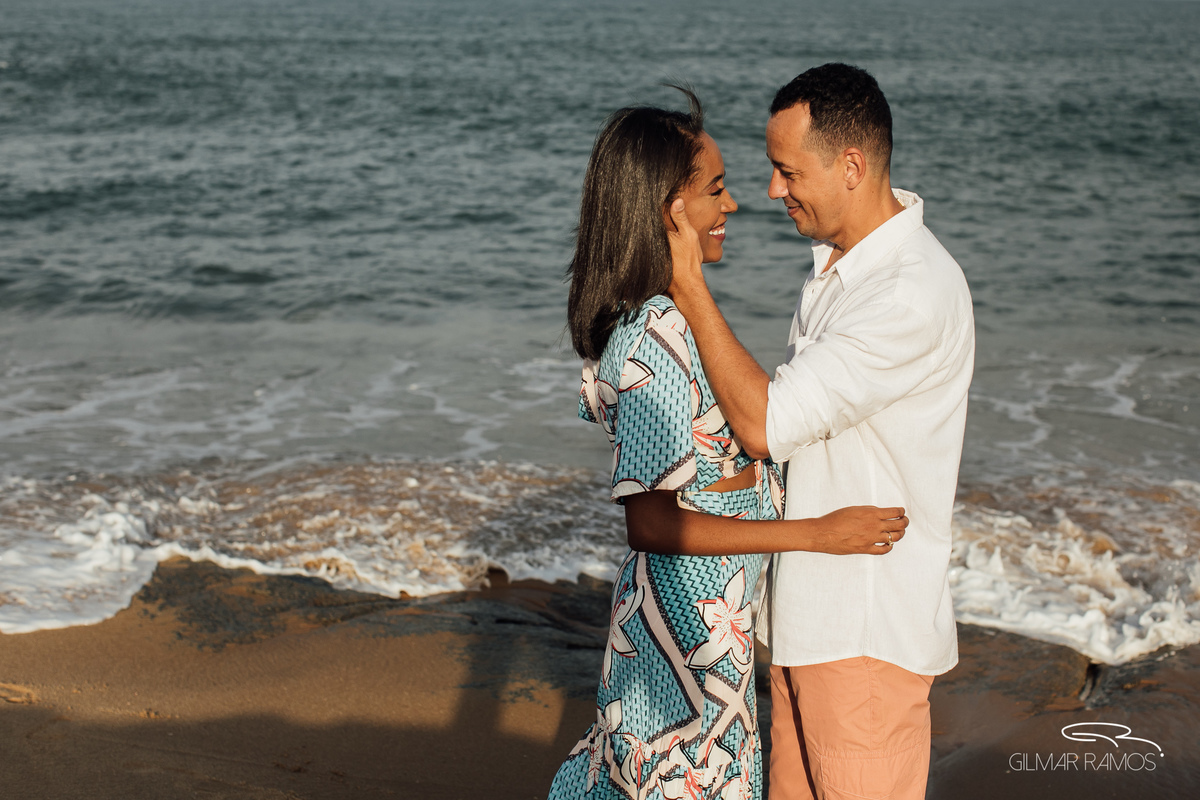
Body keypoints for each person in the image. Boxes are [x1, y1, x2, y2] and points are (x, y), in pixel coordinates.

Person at [548, 87, 910, 800]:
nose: (736, 205)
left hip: (709, 633)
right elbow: (650, 523)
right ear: (669, 210)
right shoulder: (652, 336)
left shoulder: (678, 320)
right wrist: (817, 534)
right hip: (677, 638)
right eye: (717, 189)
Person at [666, 64, 975, 800]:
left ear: (852, 166)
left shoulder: (904, 291)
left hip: (865, 634)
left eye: (786, 170)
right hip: (816, 628)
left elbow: (766, 425)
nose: (773, 191)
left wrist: (687, 284)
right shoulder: (847, 270)